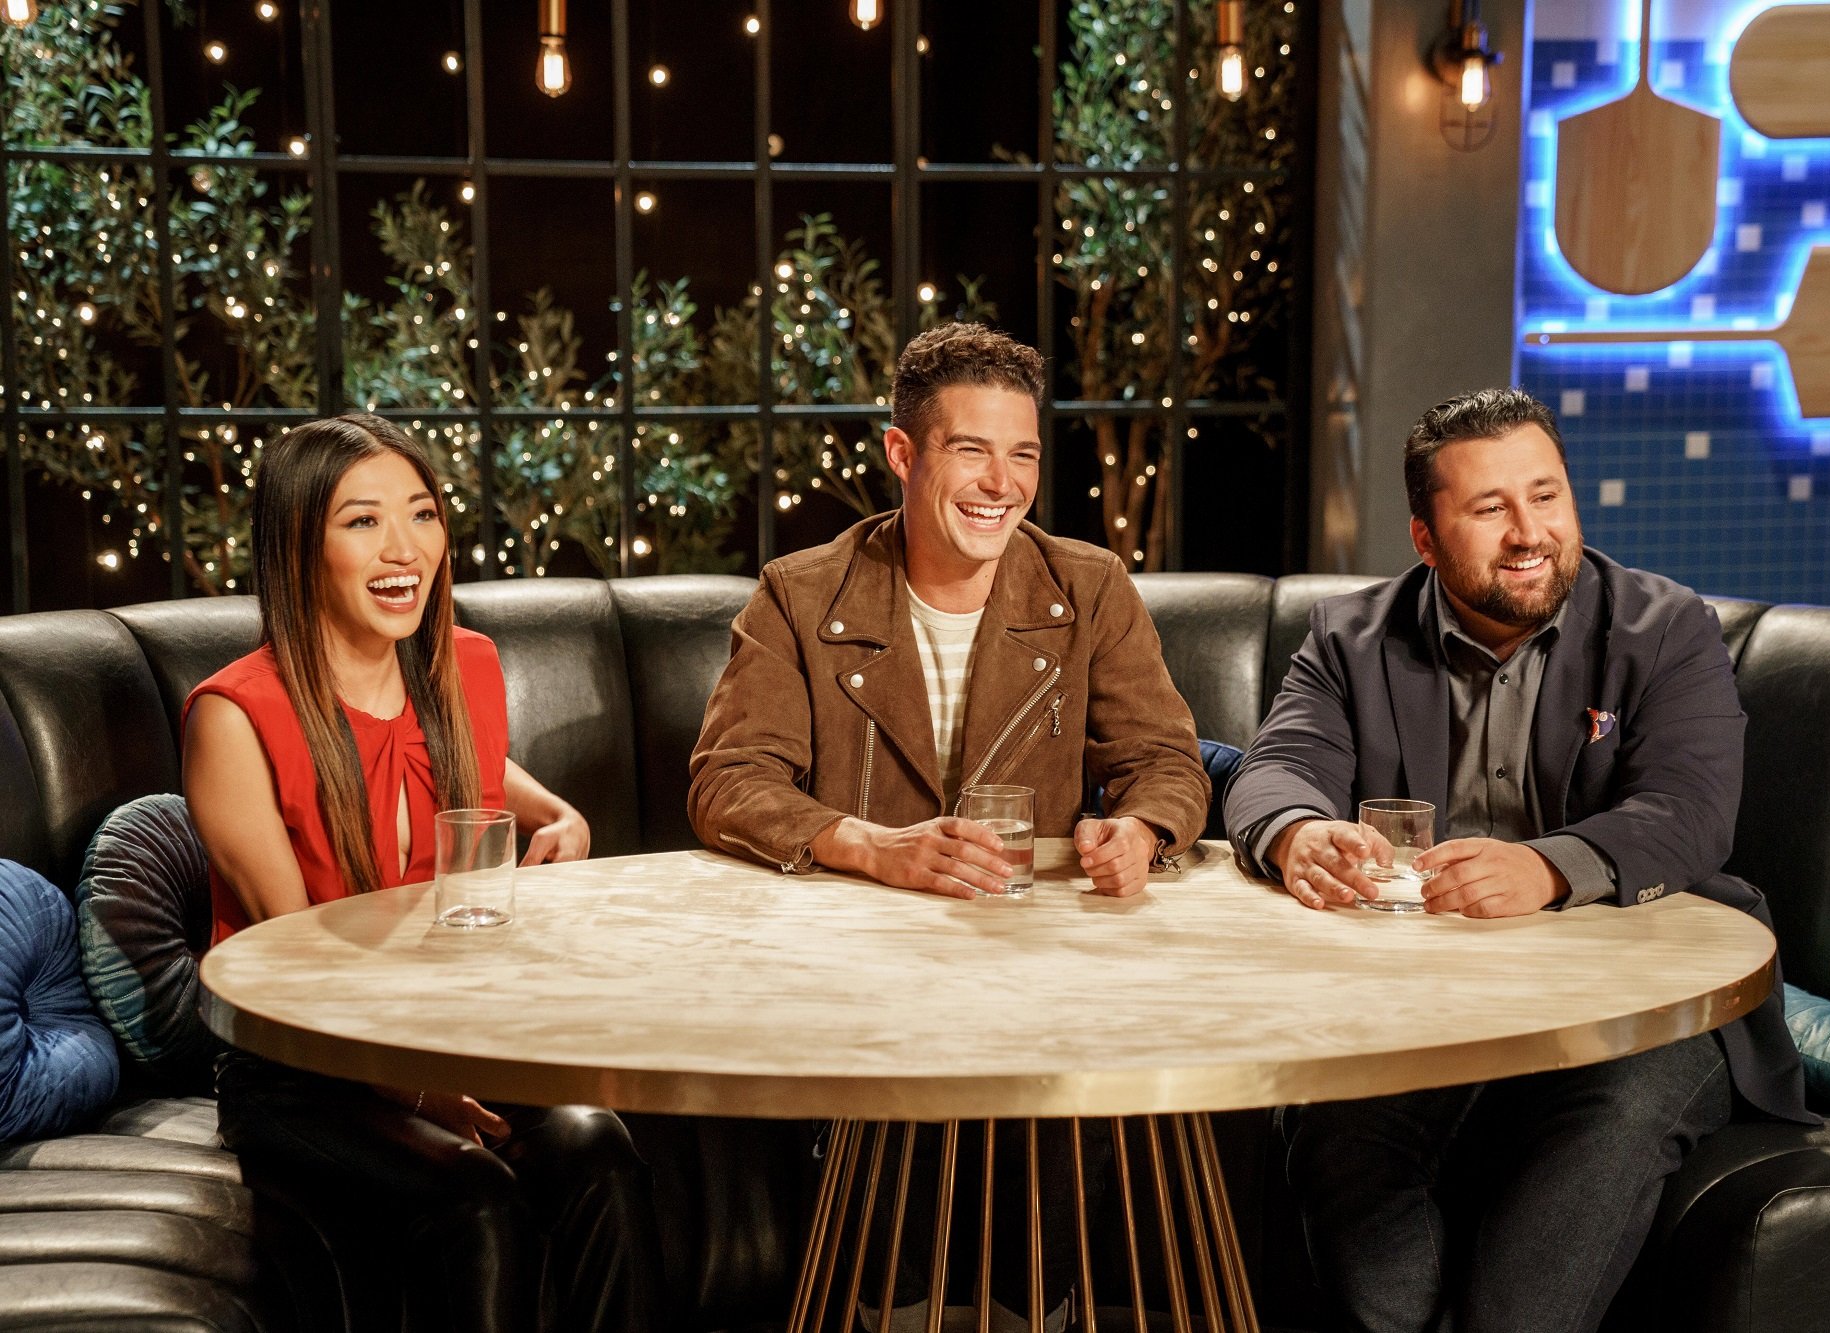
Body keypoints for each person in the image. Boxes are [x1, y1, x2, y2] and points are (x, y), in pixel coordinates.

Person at [1224, 387, 1813, 1333]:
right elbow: (1276, 769)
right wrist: (1298, 831)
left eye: (1546, 496)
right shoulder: (1349, 637)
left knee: (1526, 1290)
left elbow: (1692, 814)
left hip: (1639, 1018)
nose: (1528, 531)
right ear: (1425, 537)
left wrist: (1547, 868)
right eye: (1490, 508)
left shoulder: (1665, 628)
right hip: (1420, 1016)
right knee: (1336, 1137)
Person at [688, 321, 1211, 1327]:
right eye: (970, 450)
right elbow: (728, 780)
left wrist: (1142, 828)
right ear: (902, 454)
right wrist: (867, 845)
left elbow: (1161, 761)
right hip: (861, 987)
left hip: (1035, 982)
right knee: (889, 1253)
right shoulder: (797, 595)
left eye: (1020, 455)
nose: (999, 483)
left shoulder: (1087, 586)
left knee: (1046, 1190)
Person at [182, 414, 663, 1333]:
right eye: (362, 521)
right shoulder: (235, 717)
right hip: (304, 1072)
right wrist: (415, 1092)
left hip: (452, 1033)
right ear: (297, 544)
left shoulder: (464, 668)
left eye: (424, 514)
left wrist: (560, 815)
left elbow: (469, 766)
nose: (405, 548)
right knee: (475, 1195)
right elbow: (299, 980)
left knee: (601, 1145)